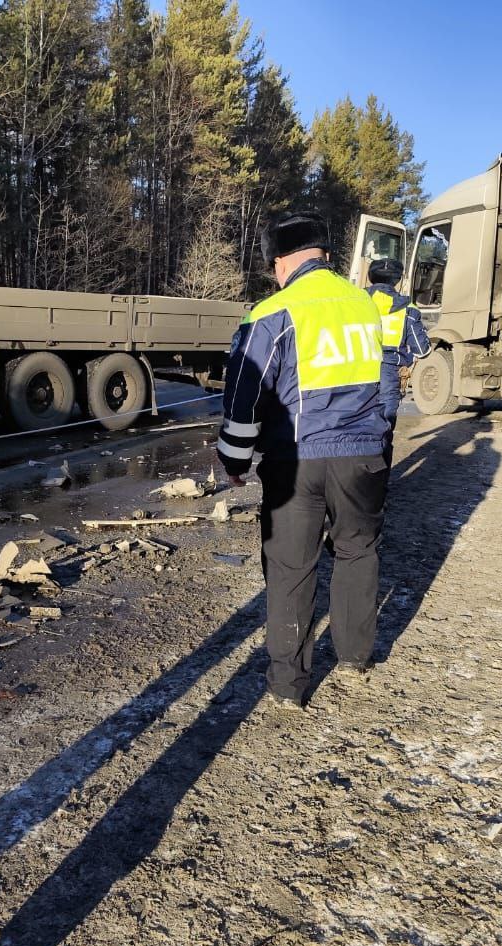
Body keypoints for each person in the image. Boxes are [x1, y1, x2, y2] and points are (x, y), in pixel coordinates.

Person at [217, 212, 390, 712]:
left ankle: (289, 686)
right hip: (363, 456)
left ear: (281, 263)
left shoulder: (272, 312)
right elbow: (384, 382)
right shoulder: (365, 305)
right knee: (359, 551)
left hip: (299, 460)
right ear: (326, 258)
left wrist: (235, 458)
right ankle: (356, 657)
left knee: (292, 569)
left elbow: (244, 396)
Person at [366, 257, 431, 463]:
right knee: (383, 430)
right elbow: (422, 350)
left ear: (369, 278)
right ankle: (379, 477)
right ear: (398, 280)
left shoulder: (356, 301)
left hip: (357, 370)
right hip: (390, 373)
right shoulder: (408, 309)